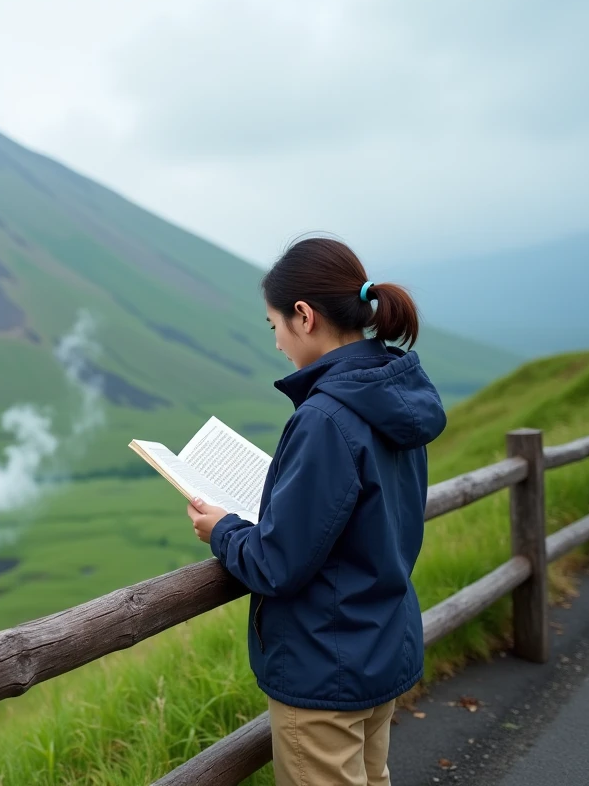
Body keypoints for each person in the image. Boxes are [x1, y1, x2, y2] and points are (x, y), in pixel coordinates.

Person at [187, 236, 447, 786]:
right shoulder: (392, 393)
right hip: (379, 643)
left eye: (273, 325)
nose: (277, 342)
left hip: (325, 662)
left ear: (303, 317)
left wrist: (222, 529)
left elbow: (278, 563)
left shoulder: (325, 418)